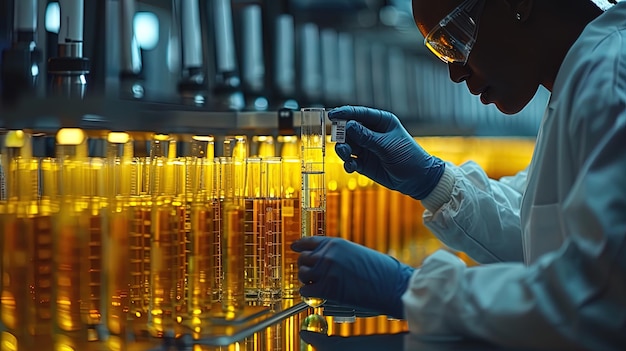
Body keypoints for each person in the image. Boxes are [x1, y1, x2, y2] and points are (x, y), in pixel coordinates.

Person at [292, 0, 626, 349]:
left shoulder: (613, 73)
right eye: (443, 50)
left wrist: (409, 291)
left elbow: (599, 302)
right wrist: (434, 181)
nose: (456, 72)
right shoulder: (583, 78)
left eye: (453, 38)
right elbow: (542, 237)